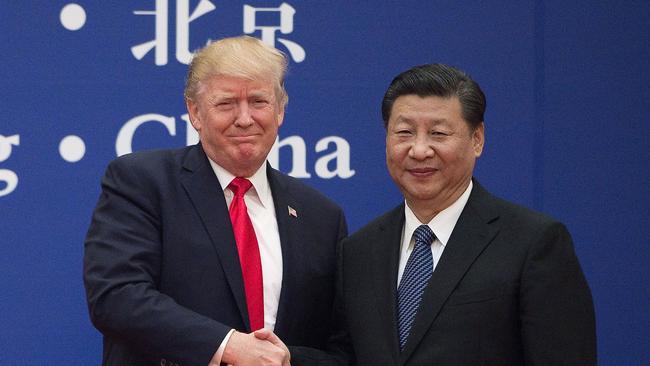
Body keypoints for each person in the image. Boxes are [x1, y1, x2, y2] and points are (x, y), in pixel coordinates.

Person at [83, 36, 347, 366]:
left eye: (259, 101)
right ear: (194, 111)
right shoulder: (143, 182)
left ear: (280, 110)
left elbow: (341, 349)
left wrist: (284, 359)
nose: (245, 118)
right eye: (226, 104)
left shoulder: (321, 216)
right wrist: (228, 346)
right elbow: (116, 297)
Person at [325, 63, 596, 365]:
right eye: (404, 133)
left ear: (477, 139)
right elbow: (345, 359)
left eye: (438, 133)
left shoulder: (533, 243)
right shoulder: (359, 251)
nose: (419, 150)